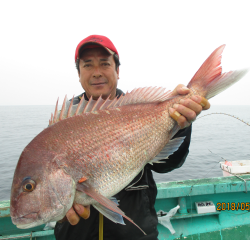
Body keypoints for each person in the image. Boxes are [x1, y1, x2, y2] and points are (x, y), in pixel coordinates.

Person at [54, 35, 210, 240]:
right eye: (88, 65)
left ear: (117, 70)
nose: (97, 72)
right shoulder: (63, 125)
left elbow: (167, 164)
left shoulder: (138, 110)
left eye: (104, 63)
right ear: (79, 73)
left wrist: (180, 124)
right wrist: (58, 209)